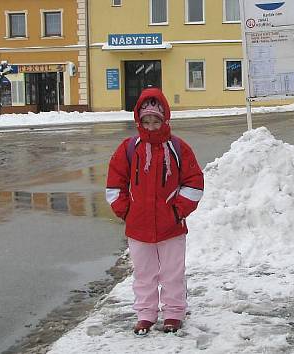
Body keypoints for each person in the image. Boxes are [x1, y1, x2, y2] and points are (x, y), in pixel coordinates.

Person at [106, 87, 204, 335]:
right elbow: (114, 184)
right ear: (139, 121)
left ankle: (173, 312)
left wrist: (177, 212)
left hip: (171, 226)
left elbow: (193, 182)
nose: (150, 126)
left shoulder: (178, 149)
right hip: (138, 227)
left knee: (172, 273)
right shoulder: (129, 149)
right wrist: (126, 212)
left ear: (165, 120)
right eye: (146, 121)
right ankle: (146, 314)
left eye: (155, 121)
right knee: (144, 274)